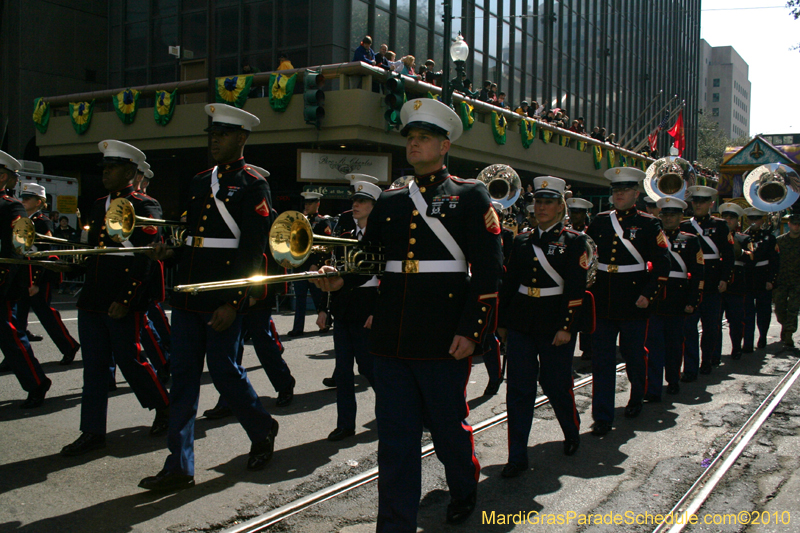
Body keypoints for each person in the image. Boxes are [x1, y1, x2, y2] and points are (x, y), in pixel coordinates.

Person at [313, 98, 503, 528]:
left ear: (444, 144)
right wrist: (339, 278)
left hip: (442, 335)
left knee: (448, 428)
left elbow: (489, 272)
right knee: (395, 440)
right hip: (392, 338)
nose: (414, 145)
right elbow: (371, 256)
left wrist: (473, 331)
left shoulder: (470, 195)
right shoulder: (393, 200)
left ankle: (464, 485)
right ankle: (394, 522)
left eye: (423, 138)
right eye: (411, 139)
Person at [139, 104, 279, 491]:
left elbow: (254, 251)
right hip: (189, 296)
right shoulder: (201, 180)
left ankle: (262, 427)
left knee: (224, 371)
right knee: (182, 380)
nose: (215, 140)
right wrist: (171, 253)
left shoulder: (253, 184)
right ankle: (179, 465)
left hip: (221, 297)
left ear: (241, 138)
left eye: (223, 134)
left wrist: (234, 302)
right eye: (212, 134)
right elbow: (191, 237)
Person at [60, 140, 170, 457]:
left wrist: (127, 297)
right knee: (94, 369)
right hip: (93, 299)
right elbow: (95, 253)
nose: (106, 173)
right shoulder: (98, 204)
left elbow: (144, 258)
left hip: (122, 299)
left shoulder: (145, 205)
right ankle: (92, 431)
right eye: (104, 168)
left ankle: (163, 405)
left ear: (129, 172)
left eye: (112, 168)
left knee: (130, 360)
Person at [498, 176, 589, 478]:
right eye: (538, 201)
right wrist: (502, 323)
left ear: (560, 206)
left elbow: (576, 289)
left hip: (554, 325)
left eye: (549, 201)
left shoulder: (575, 241)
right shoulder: (522, 240)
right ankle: (517, 456)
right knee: (519, 391)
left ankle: (572, 432)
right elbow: (510, 284)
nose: (542, 207)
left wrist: (567, 326)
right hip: (523, 322)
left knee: (555, 385)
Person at [585, 167, 670, 435]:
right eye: (615, 190)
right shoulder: (599, 221)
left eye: (625, 190)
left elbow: (662, 264)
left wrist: (648, 293)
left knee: (633, 355)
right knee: (602, 360)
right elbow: (586, 254)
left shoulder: (648, 223)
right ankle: (602, 415)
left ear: (636, 193)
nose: (619, 194)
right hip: (603, 299)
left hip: (634, 300)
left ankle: (636, 396)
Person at [324, 179, 381, 441]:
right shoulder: (345, 237)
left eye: (362, 202)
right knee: (343, 372)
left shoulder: (382, 237)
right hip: (345, 307)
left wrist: (378, 311)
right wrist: (325, 309)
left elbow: (388, 277)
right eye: (354, 201)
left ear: (374, 206)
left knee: (371, 369)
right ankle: (345, 424)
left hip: (369, 305)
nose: (355, 205)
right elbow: (335, 277)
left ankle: (395, 411)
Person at [0, 151, 51, 408]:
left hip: (2, 281)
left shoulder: (11, 207)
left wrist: (3, 283)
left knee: (9, 337)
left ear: (3, 177)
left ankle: (36, 382)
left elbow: (15, 249)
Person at [16, 183, 81, 365]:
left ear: (39, 202)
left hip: (38, 276)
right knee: (18, 318)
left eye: (27, 198)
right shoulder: (21, 219)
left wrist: (35, 282)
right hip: (22, 275)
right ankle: (16, 354)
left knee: (46, 316)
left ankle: (69, 345)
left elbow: (45, 253)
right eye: (23, 197)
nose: (23, 201)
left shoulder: (43, 222)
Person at [645, 197, 703, 399]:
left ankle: (672, 379)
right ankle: (652, 387)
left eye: (672, 215)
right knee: (652, 346)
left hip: (678, 300)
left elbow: (698, 274)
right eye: (664, 214)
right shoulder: (652, 238)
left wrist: (692, 301)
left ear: (680, 217)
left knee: (674, 345)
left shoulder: (690, 240)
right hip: (655, 299)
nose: (668, 218)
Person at [680, 185, 734, 378]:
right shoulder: (685, 226)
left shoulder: (720, 225)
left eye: (702, 201)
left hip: (712, 284)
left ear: (710, 204)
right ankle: (691, 367)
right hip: (692, 284)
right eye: (695, 201)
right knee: (689, 328)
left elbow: (728, 256)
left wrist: (724, 279)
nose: (698, 205)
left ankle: (708, 359)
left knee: (711, 327)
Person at [287, 191, 331, 337]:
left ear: (317, 204)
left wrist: (317, 265)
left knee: (318, 296)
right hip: (300, 265)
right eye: (306, 203)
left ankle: (324, 323)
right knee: (299, 297)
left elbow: (326, 247)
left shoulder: (323, 221)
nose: (307, 206)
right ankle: (298, 327)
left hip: (313, 266)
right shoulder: (300, 221)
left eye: (310, 203)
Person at [742, 208, 779, 352]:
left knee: (763, 311)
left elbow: (775, 261)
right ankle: (748, 342)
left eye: (756, 219)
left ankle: (763, 335)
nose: (753, 222)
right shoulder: (744, 236)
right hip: (748, 278)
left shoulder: (769, 238)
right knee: (748, 312)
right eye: (751, 219)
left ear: (762, 221)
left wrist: (772, 280)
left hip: (763, 278)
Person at [719, 203, 749, 360]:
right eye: (725, 217)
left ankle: (736, 347)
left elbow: (751, 257)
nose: (728, 220)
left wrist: (740, 250)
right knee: (715, 322)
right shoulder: (715, 236)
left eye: (731, 218)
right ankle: (714, 354)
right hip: (717, 282)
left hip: (736, 284)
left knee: (736, 320)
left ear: (738, 221)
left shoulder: (743, 238)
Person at [774, 210, 800, 350]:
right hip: (782, 280)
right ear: (789, 224)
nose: (797, 227)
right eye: (794, 224)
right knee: (779, 308)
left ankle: (789, 332)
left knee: (793, 308)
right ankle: (784, 324)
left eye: (799, 224)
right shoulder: (780, 241)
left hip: (797, 281)